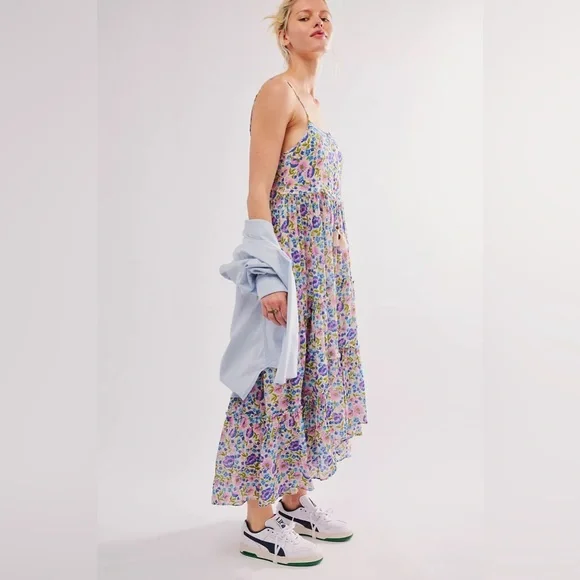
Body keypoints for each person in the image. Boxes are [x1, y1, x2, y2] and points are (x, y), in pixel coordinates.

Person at [211, 0, 368, 567]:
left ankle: (294, 502)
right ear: (284, 34)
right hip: (289, 268)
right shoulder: (276, 92)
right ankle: (258, 525)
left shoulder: (315, 104)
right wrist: (268, 277)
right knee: (272, 381)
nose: (319, 21)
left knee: (307, 380)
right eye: (304, 15)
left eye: (325, 14)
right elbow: (259, 190)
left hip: (324, 273)